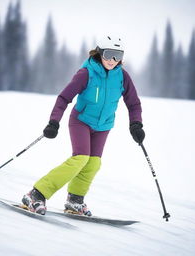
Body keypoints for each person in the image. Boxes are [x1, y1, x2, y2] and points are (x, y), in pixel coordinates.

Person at [22, 35, 145, 216]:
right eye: (109, 54)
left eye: (118, 56)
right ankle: (36, 194)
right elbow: (64, 97)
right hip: (81, 120)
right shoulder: (86, 73)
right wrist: (54, 122)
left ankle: (75, 200)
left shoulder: (122, 77)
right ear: (99, 53)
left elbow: (133, 103)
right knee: (80, 158)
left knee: (93, 163)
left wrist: (136, 124)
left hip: (104, 125)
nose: (113, 60)